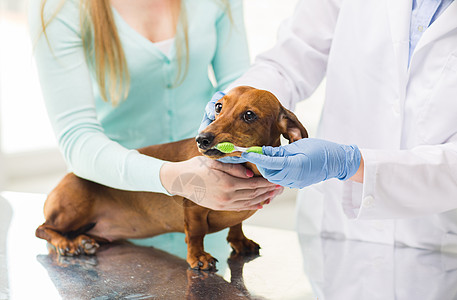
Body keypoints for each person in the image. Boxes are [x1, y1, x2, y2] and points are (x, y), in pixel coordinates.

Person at [201, 0, 457, 251]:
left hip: (434, 239)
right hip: (333, 228)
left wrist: (347, 163)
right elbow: (290, 58)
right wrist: (235, 107)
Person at [29, 0, 281, 211]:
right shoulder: (60, 7)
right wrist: (178, 178)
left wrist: (269, 160)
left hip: (211, 207)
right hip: (115, 209)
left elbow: (238, 88)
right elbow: (77, 138)